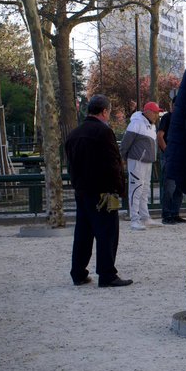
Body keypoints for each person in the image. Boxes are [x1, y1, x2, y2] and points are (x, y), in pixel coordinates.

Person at [65, 94, 131, 287]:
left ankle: (78, 273)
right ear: (104, 111)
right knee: (107, 233)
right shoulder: (104, 132)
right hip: (103, 191)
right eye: (109, 112)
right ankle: (107, 274)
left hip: (82, 190)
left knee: (83, 234)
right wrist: (120, 188)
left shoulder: (74, 133)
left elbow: (70, 165)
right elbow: (113, 163)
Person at [119, 101, 160, 231]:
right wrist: (122, 157)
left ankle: (145, 217)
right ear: (148, 112)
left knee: (144, 190)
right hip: (137, 160)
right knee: (136, 189)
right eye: (155, 112)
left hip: (146, 161)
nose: (157, 115)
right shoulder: (136, 123)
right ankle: (134, 220)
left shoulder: (151, 125)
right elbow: (126, 142)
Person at [156, 99, 186, 224]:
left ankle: (175, 213)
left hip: (180, 156)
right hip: (170, 156)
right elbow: (160, 135)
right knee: (169, 187)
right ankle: (167, 214)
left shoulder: (183, 118)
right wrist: (167, 151)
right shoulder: (167, 117)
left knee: (179, 187)